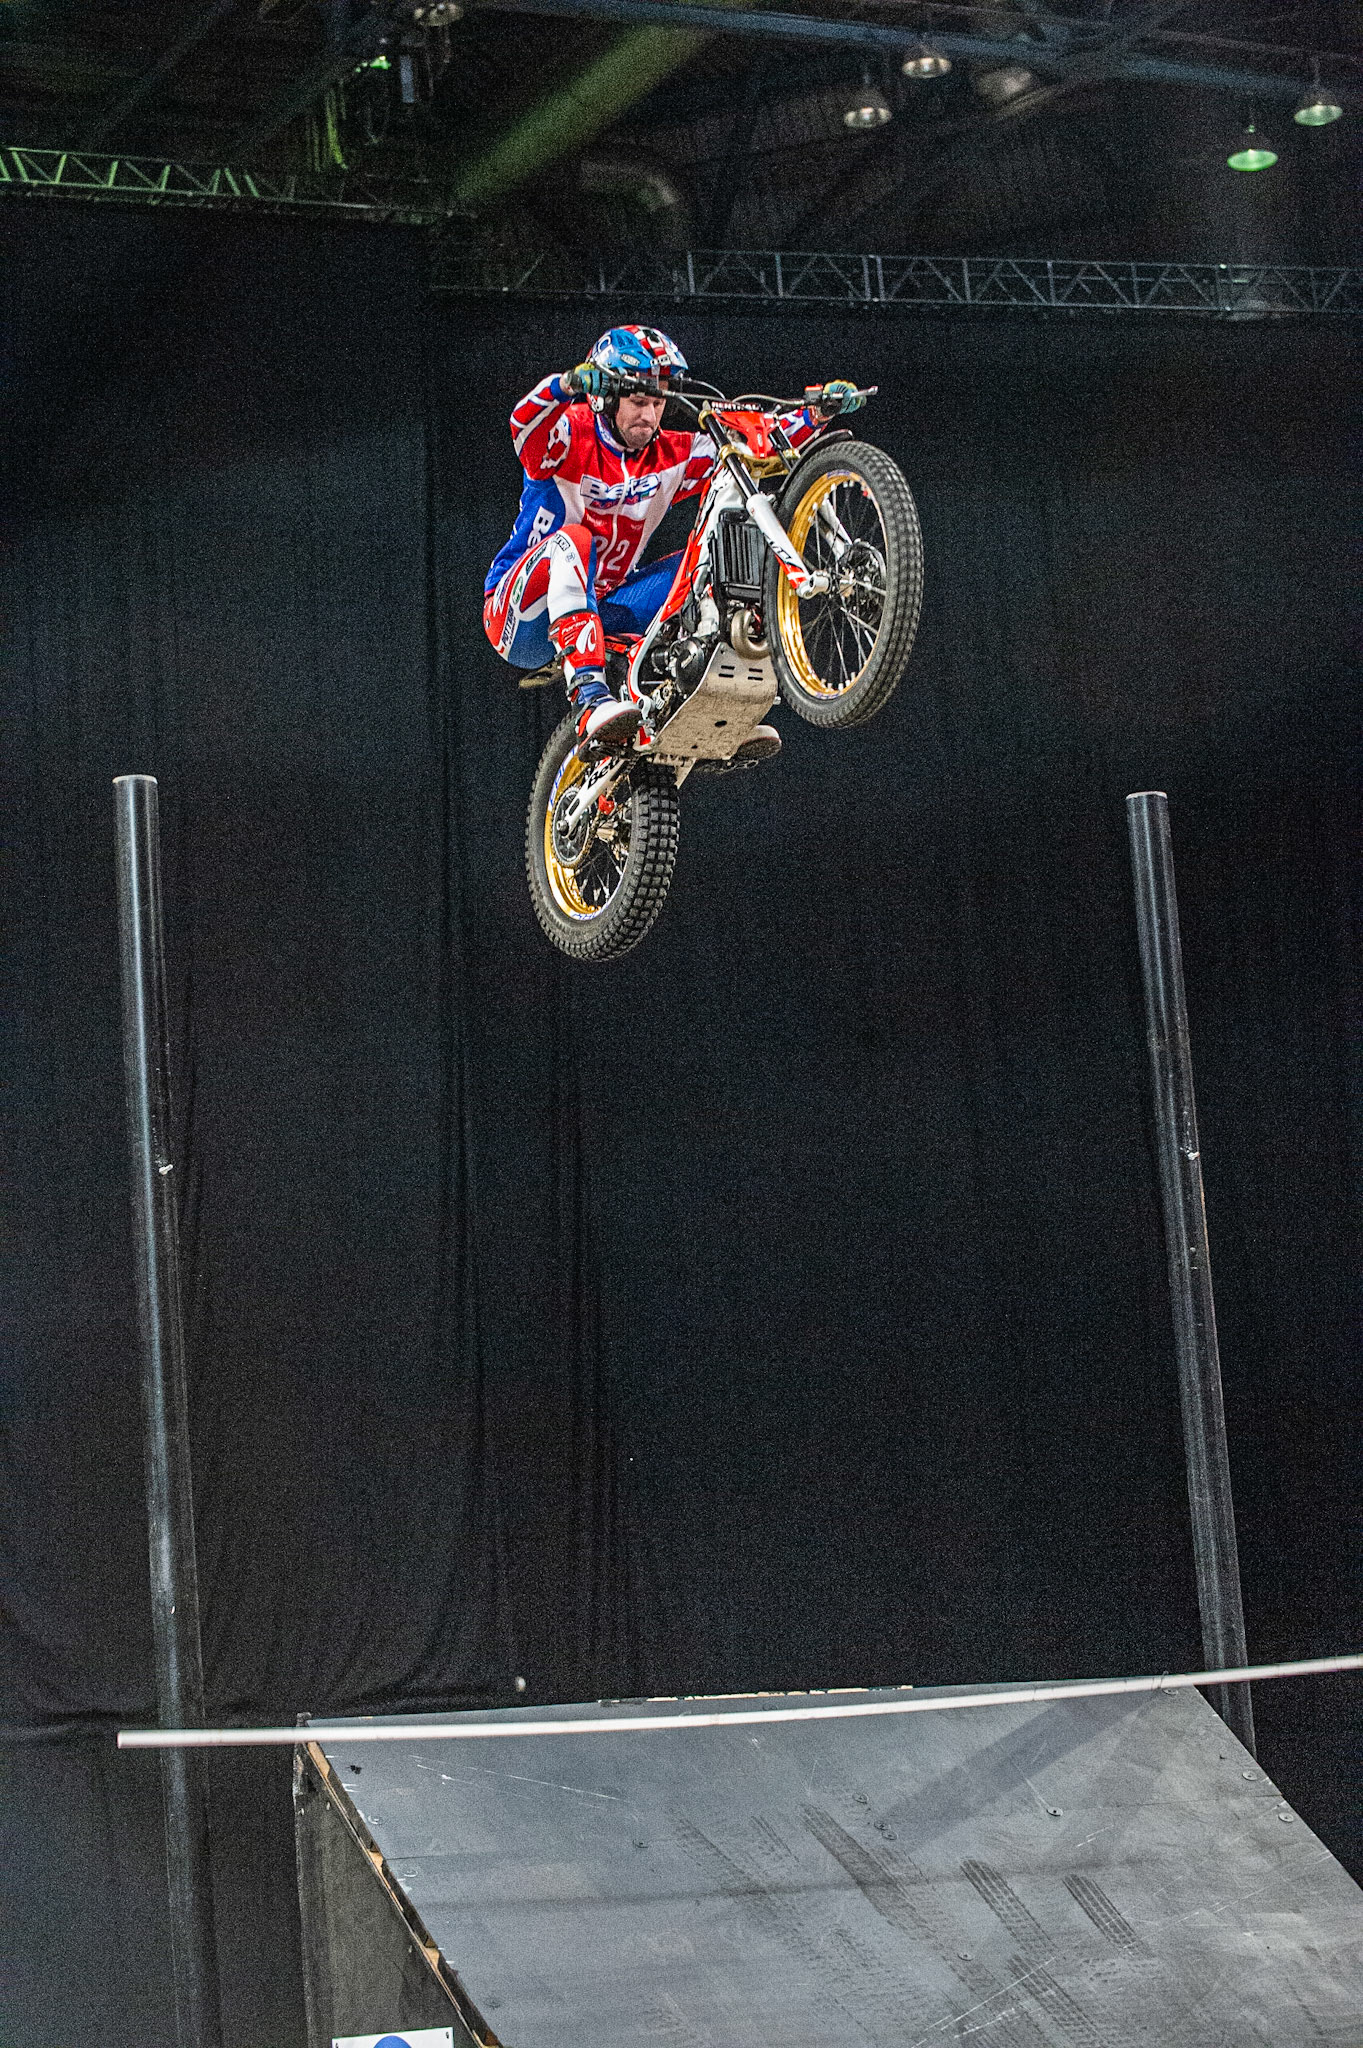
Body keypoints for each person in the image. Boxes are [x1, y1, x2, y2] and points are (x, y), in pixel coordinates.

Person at [483, 324, 865, 753]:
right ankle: (590, 697)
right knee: (575, 540)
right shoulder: (570, 435)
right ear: (605, 397)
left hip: (607, 605)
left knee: (709, 562)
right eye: (638, 401)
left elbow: (755, 446)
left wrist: (817, 414)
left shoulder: (673, 453)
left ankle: (704, 706)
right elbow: (522, 424)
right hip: (520, 612)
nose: (649, 414)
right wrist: (566, 384)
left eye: (658, 401)